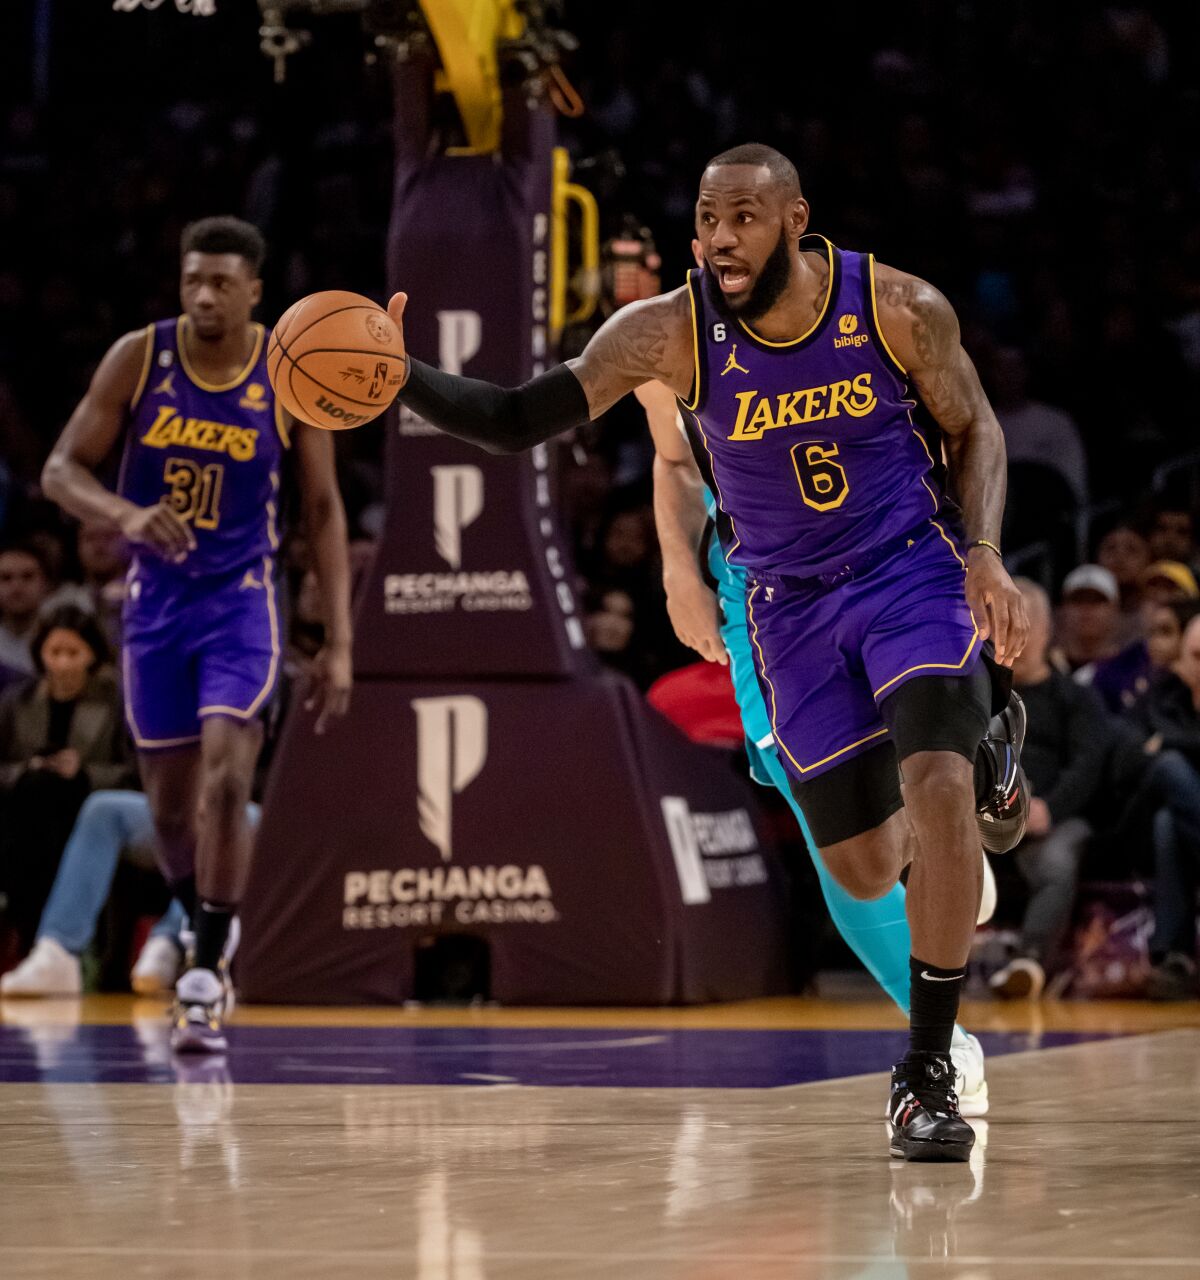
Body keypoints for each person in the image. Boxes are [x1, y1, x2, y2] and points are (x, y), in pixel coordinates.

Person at [387, 143, 1030, 1161]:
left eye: (742, 216)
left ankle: (925, 1068)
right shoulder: (665, 335)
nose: (720, 237)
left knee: (937, 779)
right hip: (785, 607)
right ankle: (982, 757)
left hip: (907, 568)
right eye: (707, 217)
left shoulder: (898, 307)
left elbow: (976, 427)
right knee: (863, 864)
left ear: (793, 218)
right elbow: (516, 419)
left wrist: (985, 553)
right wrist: (402, 377)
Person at [638, 373, 992, 1114]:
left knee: (906, 783)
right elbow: (672, 460)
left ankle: (940, 1043)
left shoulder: (856, 316)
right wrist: (678, 571)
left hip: (884, 568)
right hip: (762, 595)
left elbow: (955, 430)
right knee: (831, 830)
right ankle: (946, 834)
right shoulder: (670, 336)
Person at [41, 216, 353, 1053]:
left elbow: (322, 511)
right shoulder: (140, 358)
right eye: (193, 281)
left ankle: (205, 972)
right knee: (171, 812)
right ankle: (200, 922)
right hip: (155, 609)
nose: (205, 295)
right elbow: (60, 470)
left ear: (256, 291)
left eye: (222, 282)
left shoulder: (288, 376)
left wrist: (342, 642)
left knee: (225, 777)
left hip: (242, 603)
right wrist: (128, 514)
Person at [989, 581, 1111, 998]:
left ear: (1041, 630)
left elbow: (1088, 766)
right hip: (984, 816)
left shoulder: (1075, 698)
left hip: (1051, 817)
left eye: (1015, 621)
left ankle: (1030, 962)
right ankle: (920, 964)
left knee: (1056, 862)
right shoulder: (977, 695)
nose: (1005, 631)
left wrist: (1048, 809)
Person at [0, 604, 133, 953]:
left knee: (57, 799)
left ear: (92, 655)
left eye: (73, 652)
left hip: (86, 805)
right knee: (35, 793)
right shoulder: (17, 702)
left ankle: (65, 943)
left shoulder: (116, 702)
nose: (62, 663)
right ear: (39, 653)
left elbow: (134, 772)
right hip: (25, 812)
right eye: (54, 652)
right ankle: (33, 938)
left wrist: (84, 771)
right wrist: (26, 768)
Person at [1053, 564, 1121, 676]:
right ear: (1063, 609)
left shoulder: (1130, 669)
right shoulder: (1044, 669)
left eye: (1097, 600)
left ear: (1114, 609)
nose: (1087, 608)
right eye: (1078, 600)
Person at [0, 541, 51, 676]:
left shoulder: (63, 642)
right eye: (6, 578)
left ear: (45, 584)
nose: (17, 587)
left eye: (27, 576)